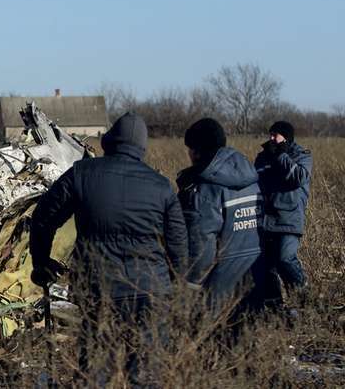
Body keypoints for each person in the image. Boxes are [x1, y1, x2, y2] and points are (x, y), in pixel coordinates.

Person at [29, 112, 188, 382]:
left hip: (99, 288)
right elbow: (179, 244)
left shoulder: (82, 174)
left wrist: (41, 262)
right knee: (147, 373)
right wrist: (175, 282)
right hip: (151, 290)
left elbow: (43, 218)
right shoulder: (161, 186)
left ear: (110, 141)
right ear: (141, 148)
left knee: (95, 370)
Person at [176, 118, 262, 305]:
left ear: (197, 151)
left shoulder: (205, 189)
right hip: (257, 277)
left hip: (219, 287)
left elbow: (202, 244)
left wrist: (190, 284)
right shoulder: (250, 179)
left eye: (189, 148)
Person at [253, 121, 312, 308]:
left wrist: (281, 155)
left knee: (285, 259)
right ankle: (274, 310)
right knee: (266, 268)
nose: (271, 138)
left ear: (286, 136)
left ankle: (303, 300)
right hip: (264, 220)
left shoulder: (301, 156)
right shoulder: (263, 157)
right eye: (270, 134)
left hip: (289, 219)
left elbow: (298, 178)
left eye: (275, 135)